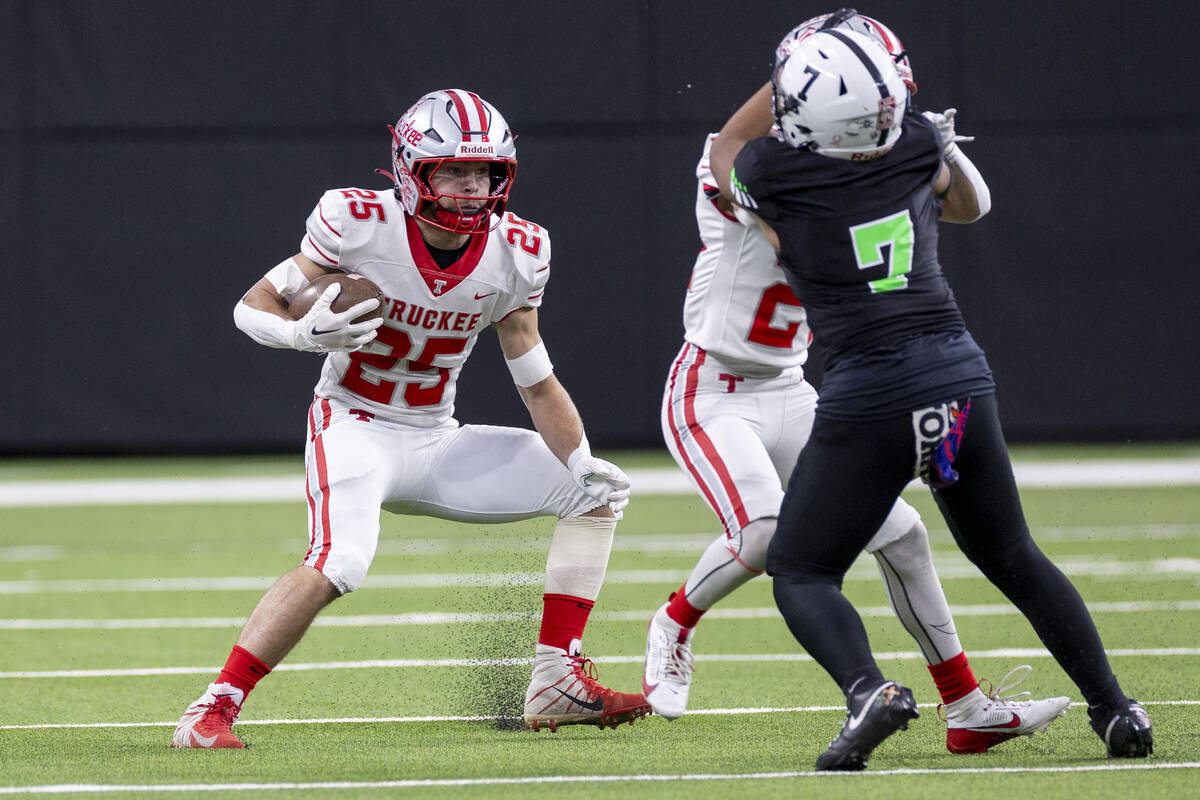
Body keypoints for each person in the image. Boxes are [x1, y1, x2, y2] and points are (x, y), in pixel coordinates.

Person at [706, 24, 1153, 770]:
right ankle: (1115, 707)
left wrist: (796, 75)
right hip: (957, 384)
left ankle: (867, 692)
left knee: (802, 571)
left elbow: (725, 148)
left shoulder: (774, 173)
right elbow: (971, 204)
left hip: (869, 399)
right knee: (1012, 553)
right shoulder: (915, 146)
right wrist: (936, 139)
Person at [643, 9, 1073, 758]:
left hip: (797, 389)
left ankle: (966, 705)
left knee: (905, 536)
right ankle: (675, 621)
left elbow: (971, 207)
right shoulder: (762, 171)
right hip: (713, 389)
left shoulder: (856, 169)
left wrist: (919, 140)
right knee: (770, 535)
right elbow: (727, 147)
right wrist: (829, 77)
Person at [171, 89, 650, 748]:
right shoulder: (355, 221)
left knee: (595, 495)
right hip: (354, 425)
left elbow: (537, 383)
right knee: (341, 562)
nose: (470, 187)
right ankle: (212, 707)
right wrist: (298, 336)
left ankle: (554, 679)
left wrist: (580, 458)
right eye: (453, 170)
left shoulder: (519, 251)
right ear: (410, 170)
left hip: (434, 437)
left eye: (483, 172)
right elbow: (253, 304)